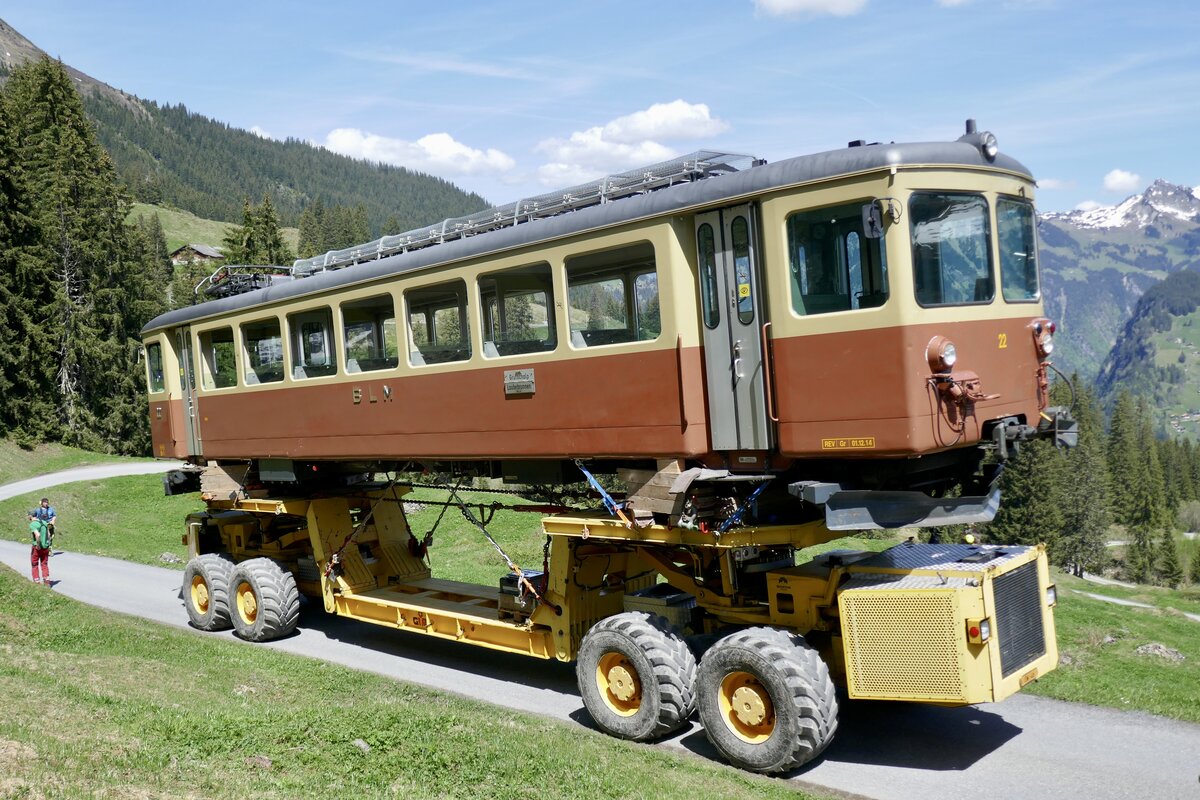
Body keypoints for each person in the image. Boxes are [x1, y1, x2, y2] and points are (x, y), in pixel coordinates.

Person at [29, 517, 51, 586]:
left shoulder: (33, 524)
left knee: (34, 564)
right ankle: (47, 582)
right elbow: (49, 535)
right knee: (44, 564)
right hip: (45, 547)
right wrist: (48, 545)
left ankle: (37, 581)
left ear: (30, 516)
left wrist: (38, 544)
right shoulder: (44, 523)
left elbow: (37, 535)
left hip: (37, 548)